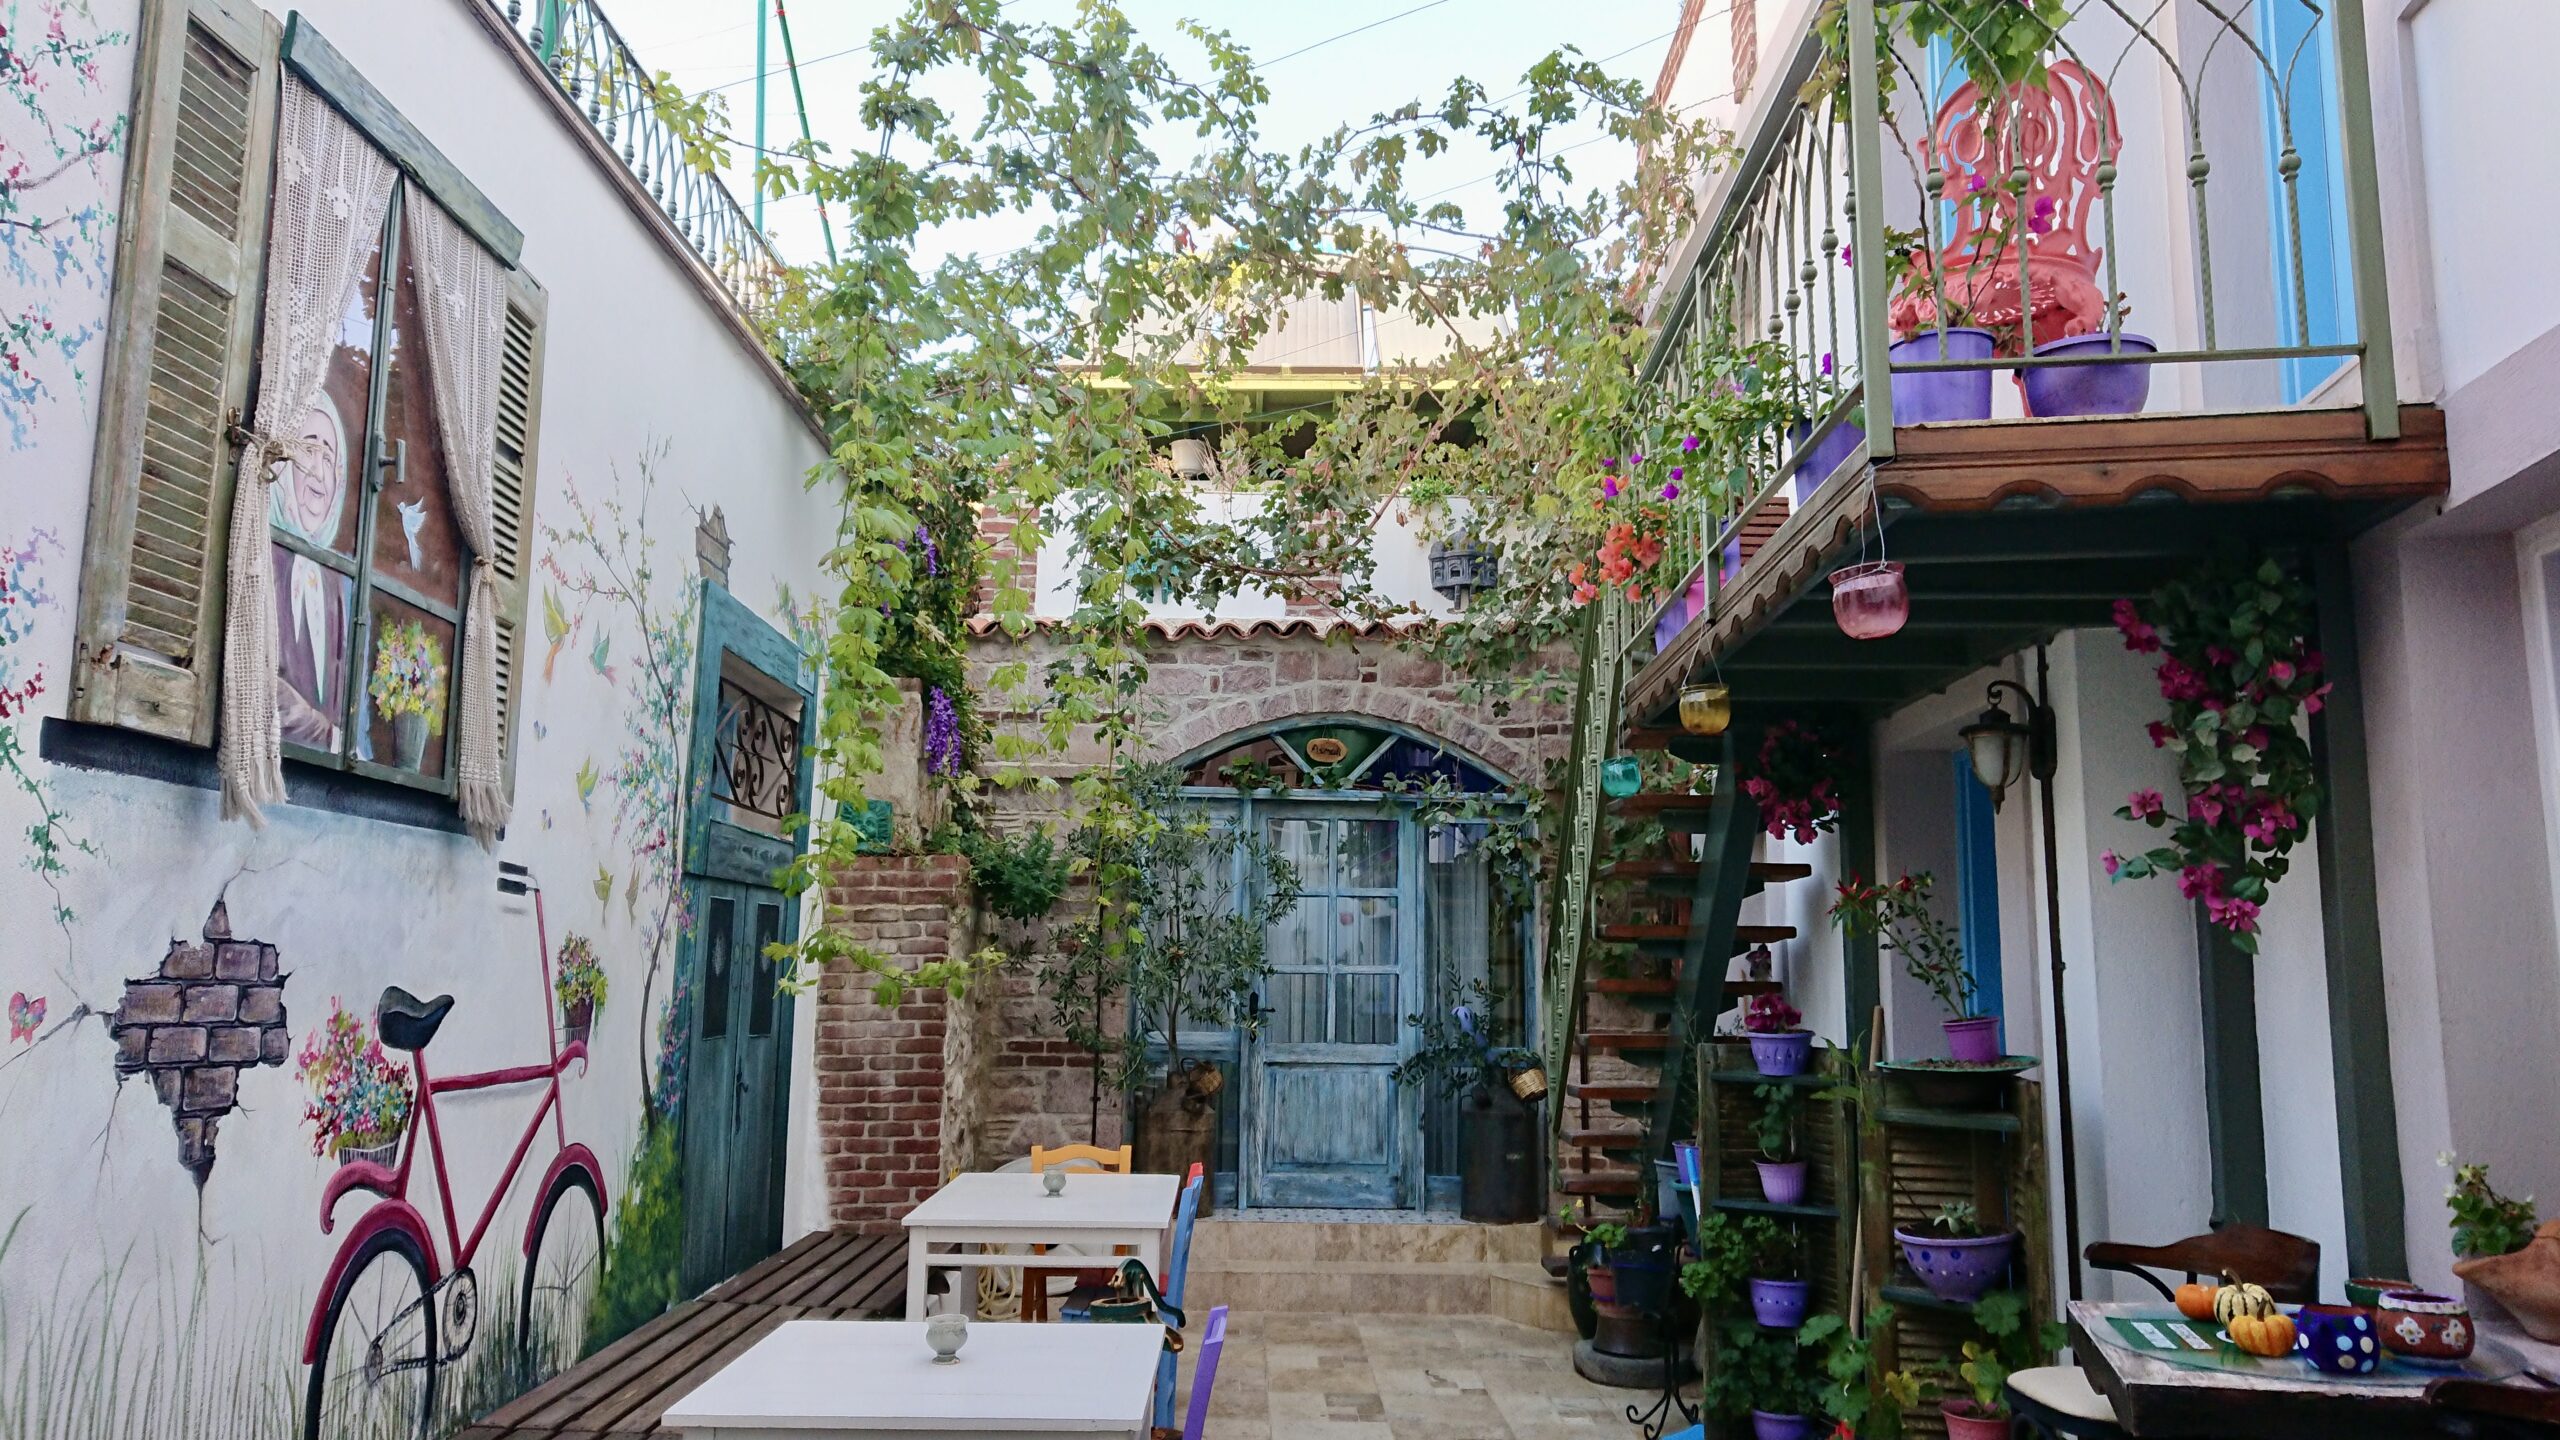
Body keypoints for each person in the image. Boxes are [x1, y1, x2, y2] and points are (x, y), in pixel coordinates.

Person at [271, 398, 352, 752]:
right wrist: (328, 737)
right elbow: (257, 675)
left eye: (330, 458)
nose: (320, 472)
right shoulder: (265, 554)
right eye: (308, 449)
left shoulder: (335, 580)